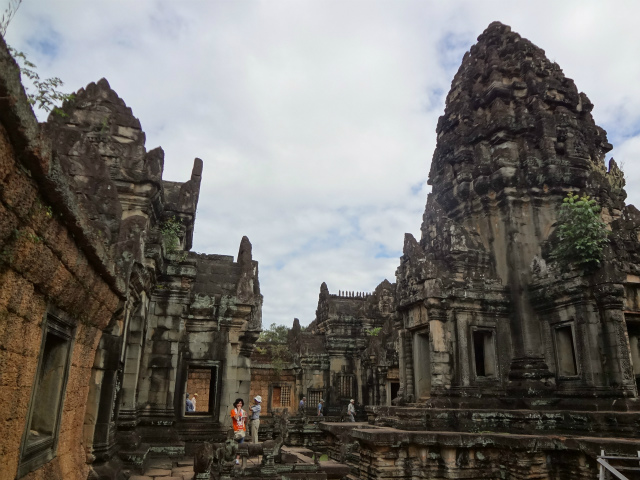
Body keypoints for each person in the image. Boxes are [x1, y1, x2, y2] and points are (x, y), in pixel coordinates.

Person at [230, 398, 247, 464]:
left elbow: (245, 421)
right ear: (236, 404)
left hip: (242, 430)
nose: (239, 404)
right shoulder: (233, 411)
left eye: (241, 403)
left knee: (240, 445)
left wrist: (245, 417)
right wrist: (239, 410)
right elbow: (236, 418)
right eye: (238, 403)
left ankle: (237, 458)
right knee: (234, 445)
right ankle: (232, 457)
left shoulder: (244, 411)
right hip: (236, 430)